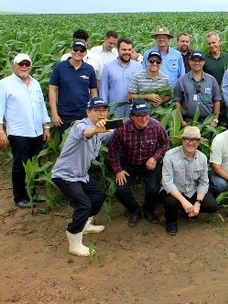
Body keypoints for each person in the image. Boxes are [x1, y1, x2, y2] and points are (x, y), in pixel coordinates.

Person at [51, 97, 114, 257]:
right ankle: (74, 242)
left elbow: (113, 132)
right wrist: (95, 130)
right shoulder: (82, 125)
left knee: (98, 194)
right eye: (97, 110)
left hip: (81, 175)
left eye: (104, 110)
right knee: (83, 205)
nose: (101, 114)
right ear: (88, 112)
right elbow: (86, 133)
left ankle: (85, 225)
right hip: (64, 175)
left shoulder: (103, 128)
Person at [108, 99, 170, 227]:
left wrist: (155, 158)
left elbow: (165, 144)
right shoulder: (121, 127)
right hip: (128, 163)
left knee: (154, 188)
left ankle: (148, 210)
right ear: (131, 117)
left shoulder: (156, 125)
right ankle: (135, 210)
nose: (143, 118)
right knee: (120, 190)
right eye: (139, 116)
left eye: (146, 114)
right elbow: (112, 149)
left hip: (149, 163)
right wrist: (118, 169)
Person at [0, 53, 51, 208]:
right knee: (20, 165)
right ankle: (20, 197)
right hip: (18, 132)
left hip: (36, 131)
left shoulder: (35, 83)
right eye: (20, 64)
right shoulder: (5, 84)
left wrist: (46, 126)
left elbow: (41, 106)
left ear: (30, 66)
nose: (24, 67)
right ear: (14, 66)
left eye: (26, 64)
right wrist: (1, 131)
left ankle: (33, 193)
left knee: (35, 163)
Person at [160, 126, 218, 236]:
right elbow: (167, 182)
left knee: (212, 205)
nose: (191, 143)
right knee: (170, 202)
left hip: (192, 190)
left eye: (195, 140)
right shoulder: (170, 156)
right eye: (187, 139)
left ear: (199, 142)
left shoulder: (202, 158)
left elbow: (204, 182)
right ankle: (171, 221)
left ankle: (188, 210)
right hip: (174, 191)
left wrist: (198, 203)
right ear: (182, 140)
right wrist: (183, 201)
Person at [49, 40, 98, 133]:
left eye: (82, 50)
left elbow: (94, 92)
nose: (78, 52)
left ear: (85, 53)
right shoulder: (60, 67)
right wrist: (54, 114)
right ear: (70, 50)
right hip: (65, 115)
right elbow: (52, 90)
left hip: (84, 115)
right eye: (76, 49)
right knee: (65, 144)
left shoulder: (89, 69)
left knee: (84, 142)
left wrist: (93, 112)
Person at [173, 51, 221, 127]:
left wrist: (215, 120)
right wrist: (181, 121)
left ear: (204, 62)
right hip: (188, 122)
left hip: (207, 122)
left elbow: (217, 101)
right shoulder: (182, 81)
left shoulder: (211, 80)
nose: (197, 63)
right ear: (189, 62)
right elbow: (177, 102)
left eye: (199, 61)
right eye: (194, 60)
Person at [100, 37, 143, 117]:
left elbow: (142, 89)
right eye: (124, 50)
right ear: (118, 50)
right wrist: (103, 110)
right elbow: (104, 92)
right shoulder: (108, 67)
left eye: (129, 50)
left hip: (134, 111)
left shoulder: (138, 67)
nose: (127, 52)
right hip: (114, 111)